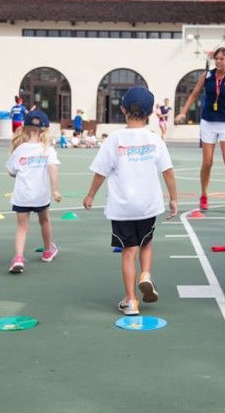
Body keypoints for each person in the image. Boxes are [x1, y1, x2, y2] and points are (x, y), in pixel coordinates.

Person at [84, 86, 178, 316]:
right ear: (150, 114)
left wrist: (91, 194)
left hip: (123, 207)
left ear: (123, 109)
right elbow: (168, 171)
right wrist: (174, 199)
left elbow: (101, 171)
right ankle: (145, 274)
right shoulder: (154, 139)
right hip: (148, 205)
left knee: (128, 251)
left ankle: (131, 300)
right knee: (146, 242)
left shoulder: (114, 139)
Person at [174, 47, 225, 211]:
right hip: (208, 122)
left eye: (222, 59)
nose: (218, 61)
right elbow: (194, 94)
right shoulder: (206, 76)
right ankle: (204, 195)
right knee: (207, 162)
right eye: (217, 59)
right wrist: (183, 113)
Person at [6, 110, 62, 274]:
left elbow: (11, 171)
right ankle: (47, 251)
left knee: (22, 227)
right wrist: (55, 190)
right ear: (44, 129)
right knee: (44, 221)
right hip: (40, 195)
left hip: (22, 195)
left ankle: (18, 258)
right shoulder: (47, 149)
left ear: (25, 128)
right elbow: (52, 169)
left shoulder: (20, 149)